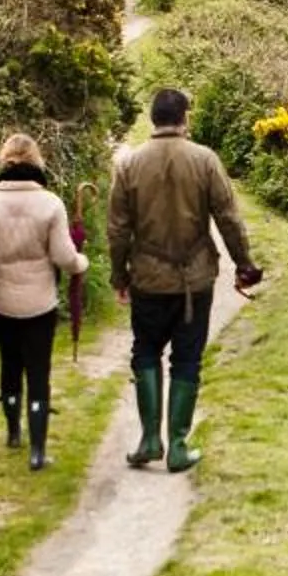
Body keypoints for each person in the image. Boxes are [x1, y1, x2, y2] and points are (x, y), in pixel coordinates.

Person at [106, 88, 261, 472]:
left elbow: (117, 229)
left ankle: (148, 440)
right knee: (187, 358)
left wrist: (118, 274)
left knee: (145, 352)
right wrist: (243, 263)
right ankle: (177, 445)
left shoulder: (129, 165)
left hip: (147, 278)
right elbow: (228, 218)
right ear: (184, 118)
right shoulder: (205, 160)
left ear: (153, 119)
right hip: (196, 278)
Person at [0, 132, 85, 470]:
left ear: (3, 161)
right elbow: (63, 256)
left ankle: (14, 431)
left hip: (3, 305)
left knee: (10, 367)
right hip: (40, 304)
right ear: (36, 161)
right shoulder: (51, 203)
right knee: (38, 373)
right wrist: (80, 264)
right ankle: (38, 451)